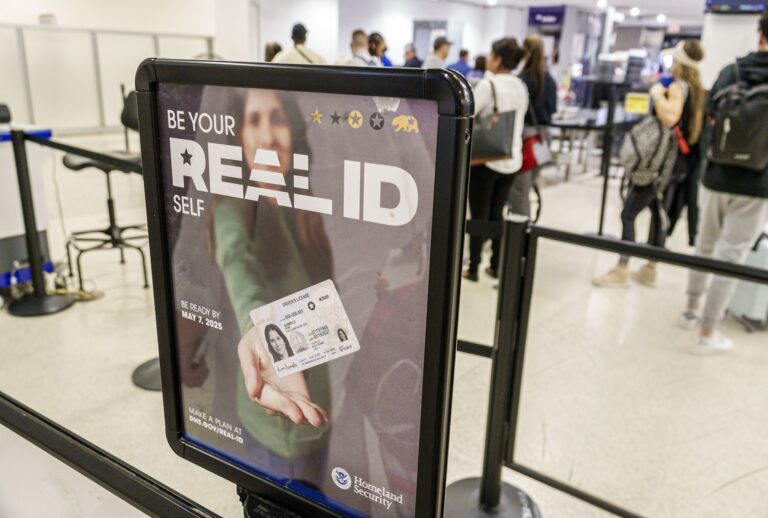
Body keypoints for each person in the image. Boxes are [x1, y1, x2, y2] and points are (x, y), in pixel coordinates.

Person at [679, 12, 768, 354]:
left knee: (705, 245)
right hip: (757, 184)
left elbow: (709, 124)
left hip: (715, 176)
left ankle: (690, 309)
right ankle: (706, 333)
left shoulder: (731, 71)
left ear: (760, 35)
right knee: (731, 258)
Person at [593, 40, 705, 288]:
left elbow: (669, 117)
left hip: (659, 166)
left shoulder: (678, 87)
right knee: (658, 213)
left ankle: (622, 267)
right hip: (678, 166)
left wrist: (656, 96)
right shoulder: (698, 91)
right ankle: (650, 267)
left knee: (629, 212)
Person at [463, 38, 529, 281]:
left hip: (486, 160)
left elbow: (468, 114)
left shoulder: (488, 84)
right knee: (497, 212)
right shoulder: (520, 85)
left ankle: (473, 268)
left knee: (478, 214)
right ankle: (497, 264)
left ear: (498, 58)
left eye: (491, 54)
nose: (488, 58)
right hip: (512, 159)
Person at [520, 36, 557, 126]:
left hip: (525, 132)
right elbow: (552, 110)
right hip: (543, 133)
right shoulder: (550, 81)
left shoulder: (523, 81)